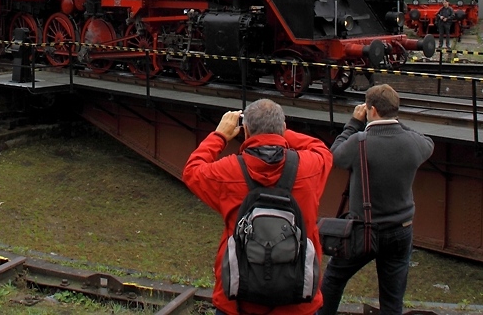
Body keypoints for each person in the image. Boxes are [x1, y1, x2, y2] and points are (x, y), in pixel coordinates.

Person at [183, 99, 333, 315]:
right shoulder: (311, 166)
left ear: (245, 130)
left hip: (238, 301)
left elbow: (192, 171)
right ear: (282, 127)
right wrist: (280, 132)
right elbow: (321, 149)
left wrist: (220, 136)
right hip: (298, 302)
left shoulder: (227, 171)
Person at [319, 84, 434, 315]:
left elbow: (334, 155)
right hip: (401, 230)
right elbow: (426, 141)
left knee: (333, 278)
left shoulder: (359, 141)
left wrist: (353, 123)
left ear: (371, 110)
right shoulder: (414, 143)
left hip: (364, 230)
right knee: (392, 298)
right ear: (395, 110)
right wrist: (395, 121)